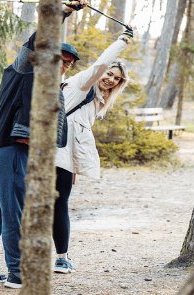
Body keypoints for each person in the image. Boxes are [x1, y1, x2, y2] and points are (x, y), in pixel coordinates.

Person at [0, 0, 88, 289]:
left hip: (9, 153)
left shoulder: (51, 89)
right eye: (60, 60)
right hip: (9, 150)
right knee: (14, 214)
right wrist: (64, 13)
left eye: (68, 64)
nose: (63, 67)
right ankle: (18, 273)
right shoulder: (21, 71)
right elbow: (37, 40)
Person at [52, 28, 132, 274]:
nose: (110, 79)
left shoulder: (97, 100)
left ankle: (61, 257)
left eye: (116, 79)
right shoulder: (83, 84)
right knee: (39, 204)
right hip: (51, 153)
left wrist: (75, 165)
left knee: (60, 204)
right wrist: (122, 42)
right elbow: (100, 65)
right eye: (109, 74)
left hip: (64, 159)